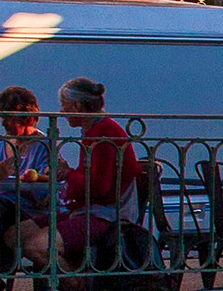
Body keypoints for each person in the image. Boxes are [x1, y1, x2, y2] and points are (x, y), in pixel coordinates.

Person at [52, 75, 156, 271]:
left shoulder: (104, 132)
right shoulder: (95, 130)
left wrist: (67, 174)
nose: (61, 111)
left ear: (77, 106)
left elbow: (99, 187)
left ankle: (73, 284)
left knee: (38, 244)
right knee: (19, 233)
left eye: (64, 104)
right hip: (95, 209)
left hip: (107, 215)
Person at [0, 85, 57, 271]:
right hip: (1, 204)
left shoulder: (43, 146)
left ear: (25, 117)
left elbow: (47, 187)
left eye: (7, 117)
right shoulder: (2, 145)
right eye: (2, 117)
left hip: (27, 208)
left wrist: (34, 179)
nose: (3, 123)